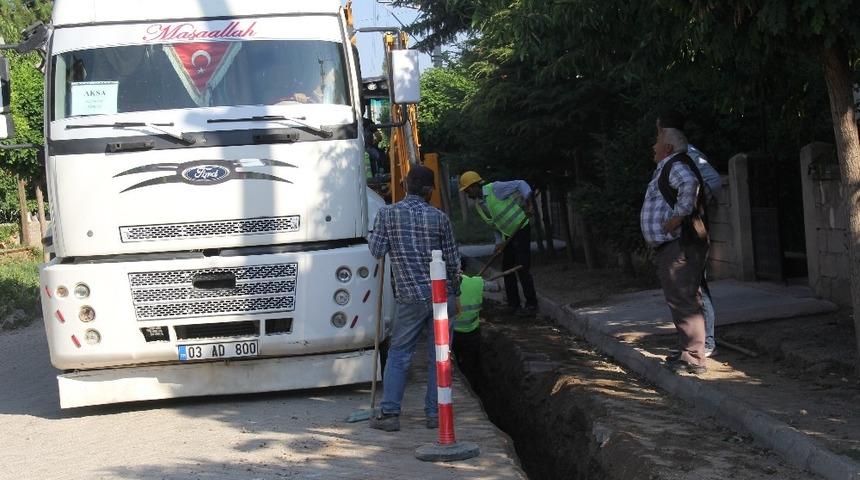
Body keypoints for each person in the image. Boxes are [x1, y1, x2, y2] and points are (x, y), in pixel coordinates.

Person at [367, 165, 461, 432]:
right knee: (440, 356)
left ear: (406, 186)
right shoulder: (439, 218)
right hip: (441, 298)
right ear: (429, 190)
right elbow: (453, 262)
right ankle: (434, 415)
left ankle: (390, 414)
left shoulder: (387, 214)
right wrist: (456, 293)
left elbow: (376, 250)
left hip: (410, 297)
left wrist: (375, 231)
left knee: (399, 354)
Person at [640, 127, 709, 375]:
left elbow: (690, 183)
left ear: (667, 147)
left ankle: (693, 357)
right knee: (679, 298)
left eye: (656, 141)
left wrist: (678, 217)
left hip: (677, 244)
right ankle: (687, 351)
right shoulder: (667, 166)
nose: (653, 146)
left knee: (684, 298)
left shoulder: (675, 165)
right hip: (670, 246)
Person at [657, 110, 718, 357]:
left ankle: (706, 343)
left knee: (695, 288)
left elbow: (711, 182)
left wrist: (691, 212)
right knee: (688, 290)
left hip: (688, 236)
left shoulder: (686, 155)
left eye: (658, 130)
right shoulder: (677, 156)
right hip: (680, 237)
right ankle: (696, 342)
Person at [459, 171, 538, 317]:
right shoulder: (479, 204)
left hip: (521, 229)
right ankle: (513, 305)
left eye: (467, 189)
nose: (466, 193)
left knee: (522, 267)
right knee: (507, 268)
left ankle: (532, 304)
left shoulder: (495, 188)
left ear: (475, 186)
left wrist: (529, 202)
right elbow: (495, 224)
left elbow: (521, 183)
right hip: (508, 235)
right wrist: (499, 242)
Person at [452, 258, 501, 391]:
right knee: (471, 366)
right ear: (464, 269)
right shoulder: (476, 282)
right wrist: (477, 282)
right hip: (471, 333)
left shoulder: (443, 285)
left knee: (452, 367)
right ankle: (473, 388)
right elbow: (497, 287)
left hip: (451, 335)